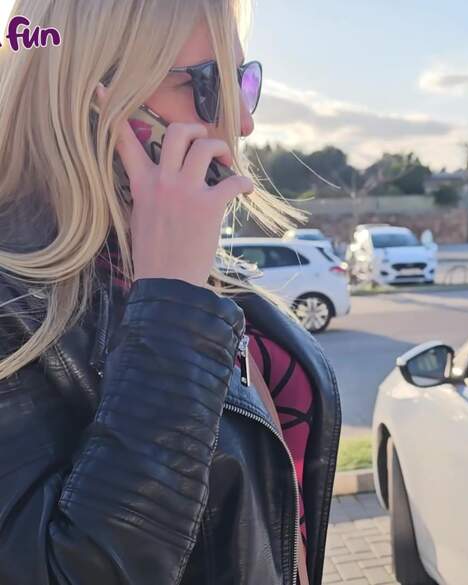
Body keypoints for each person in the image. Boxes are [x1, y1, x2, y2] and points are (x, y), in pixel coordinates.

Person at [0, 1, 340, 584]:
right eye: (208, 85)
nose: (243, 122)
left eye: (243, 81)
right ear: (90, 101)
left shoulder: (202, 272)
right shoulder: (17, 302)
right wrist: (172, 305)